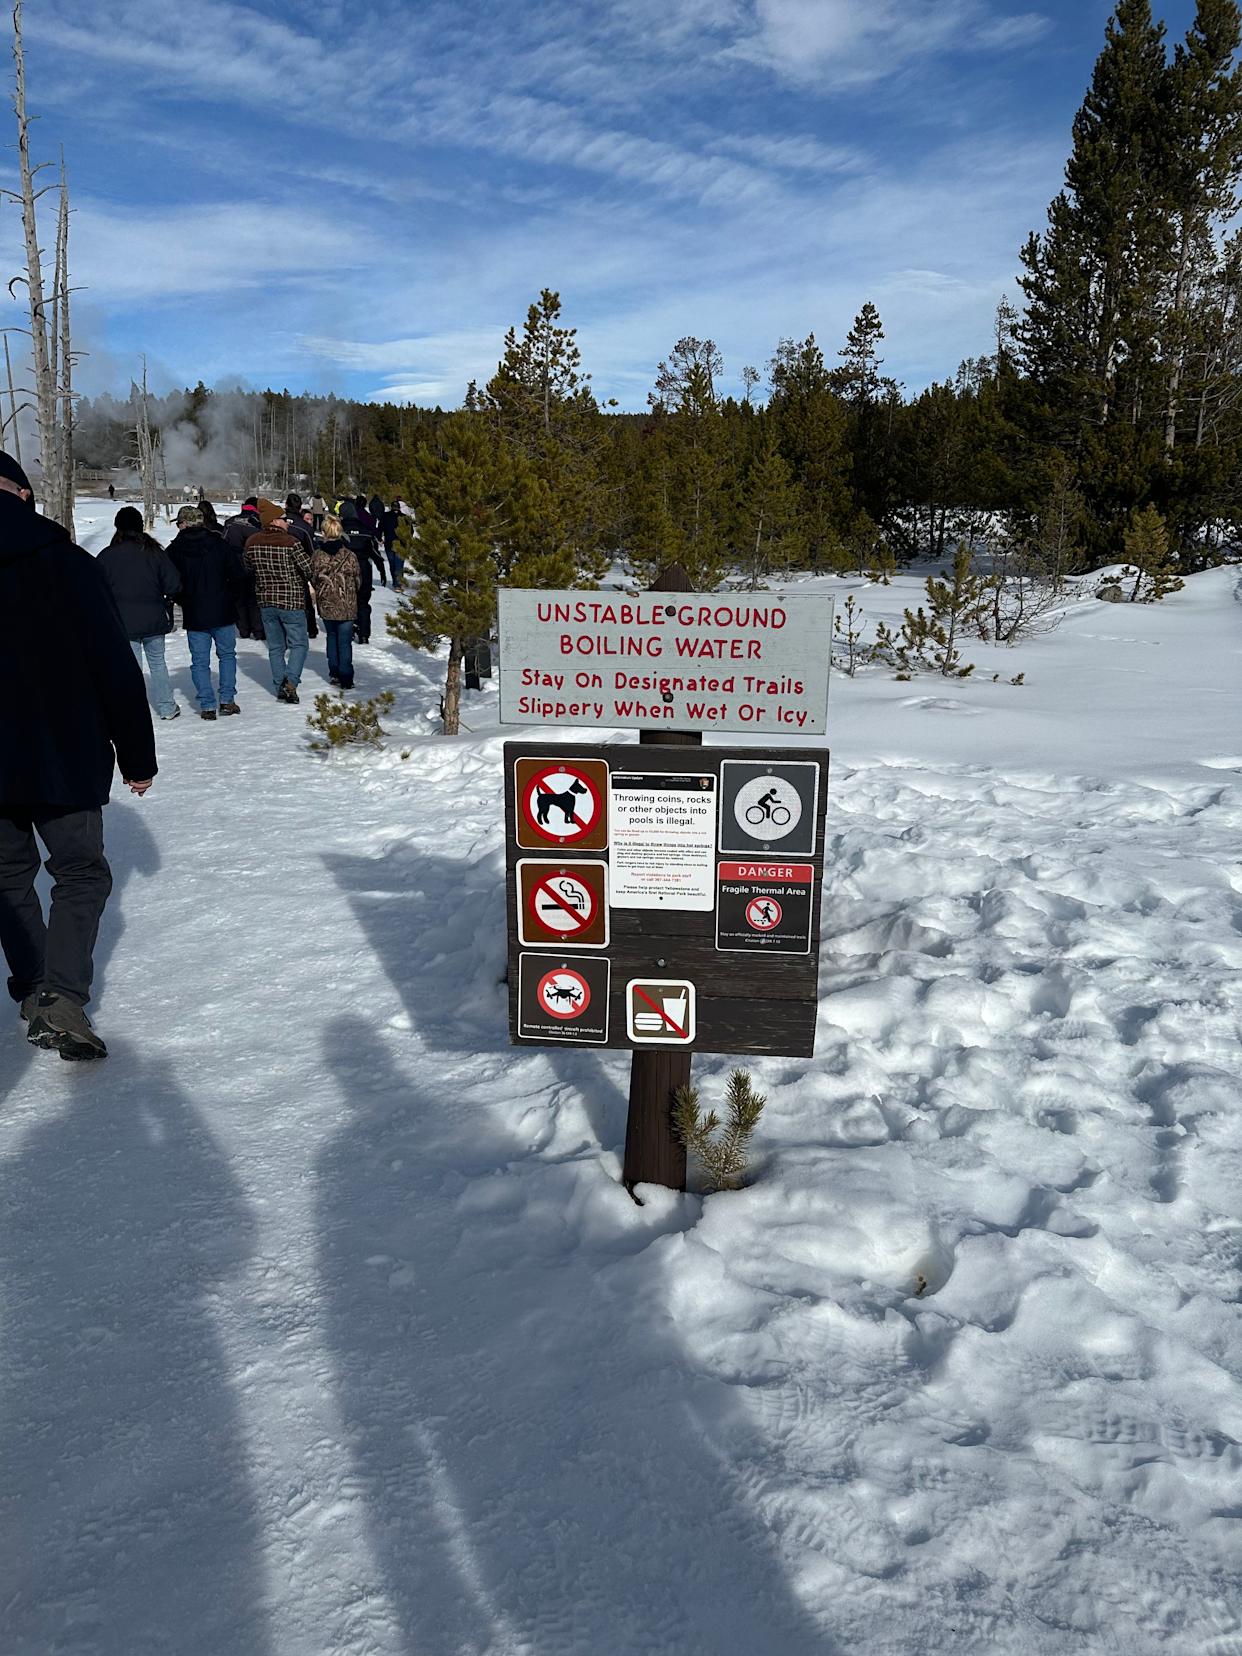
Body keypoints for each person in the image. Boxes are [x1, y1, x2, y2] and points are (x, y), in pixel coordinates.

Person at [0, 451, 156, 1060]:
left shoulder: (72, 561)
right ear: (22, 493)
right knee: (81, 872)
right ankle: (59, 995)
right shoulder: (67, 562)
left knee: (7, 875)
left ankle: (38, 985)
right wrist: (137, 757)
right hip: (63, 749)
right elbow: (114, 667)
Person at [96, 507, 183, 723]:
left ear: (118, 528)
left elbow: (95, 588)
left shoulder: (107, 556)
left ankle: (134, 710)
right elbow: (173, 583)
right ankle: (166, 706)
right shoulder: (154, 552)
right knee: (158, 663)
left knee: (132, 668)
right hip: (154, 618)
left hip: (123, 622)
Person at [167, 505, 244, 720]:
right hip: (222, 609)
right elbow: (237, 574)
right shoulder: (219, 543)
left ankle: (208, 704)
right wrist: (231, 598)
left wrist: (181, 599)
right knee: (227, 655)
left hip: (195, 612)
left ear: (183, 523)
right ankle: (227, 700)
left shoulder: (174, 550)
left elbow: (170, 581)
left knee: (200, 661)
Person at [243, 513, 312, 703]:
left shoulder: (252, 541)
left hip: (266, 601)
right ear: (273, 520)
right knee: (299, 644)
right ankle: (290, 682)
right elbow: (308, 569)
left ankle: (280, 686)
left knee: (275, 647)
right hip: (291, 601)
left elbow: (247, 566)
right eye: (283, 518)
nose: (287, 522)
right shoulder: (291, 542)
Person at [310, 515, 361, 689]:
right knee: (345, 641)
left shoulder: (317, 556)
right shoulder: (350, 555)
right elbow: (357, 579)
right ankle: (346, 676)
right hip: (347, 604)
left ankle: (334, 673)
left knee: (332, 637)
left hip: (326, 603)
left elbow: (313, 578)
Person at [223, 498, 265, 640]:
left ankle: (244, 629)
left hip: (234, 566)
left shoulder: (230, 522)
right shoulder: (258, 523)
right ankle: (258, 630)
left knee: (239, 599)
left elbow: (223, 543)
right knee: (254, 599)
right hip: (254, 565)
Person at [379, 500, 404, 589]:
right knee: (399, 565)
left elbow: (380, 528)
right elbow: (410, 531)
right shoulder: (404, 517)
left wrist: (379, 538)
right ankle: (398, 583)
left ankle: (396, 582)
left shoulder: (385, 516)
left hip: (389, 543)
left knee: (392, 564)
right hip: (401, 544)